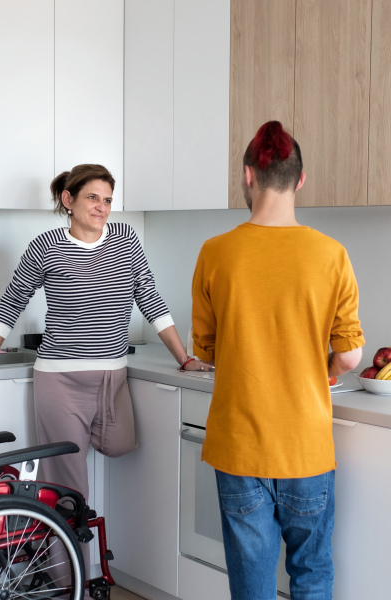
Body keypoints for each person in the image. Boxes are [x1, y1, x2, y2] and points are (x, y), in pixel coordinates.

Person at [0, 163, 211, 574]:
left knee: (121, 445)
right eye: (92, 198)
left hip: (112, 377)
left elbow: (150, 299)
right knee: (71, 489)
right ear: (68, 201)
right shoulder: (46, 245)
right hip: (59, 380)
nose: (101, 207)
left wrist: (183, 358)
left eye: (107, 200)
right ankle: (71, 581)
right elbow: (13, 299)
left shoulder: (125, 240)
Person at [190, 122, 364, 600]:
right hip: (305, 446)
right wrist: (320, 369)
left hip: (239, 447)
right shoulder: (331, 254)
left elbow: (204, 350)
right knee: (311, 575)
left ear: (249, 175)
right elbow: (350, 355)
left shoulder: (215, 252)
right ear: (300, 179)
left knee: (253, 586)